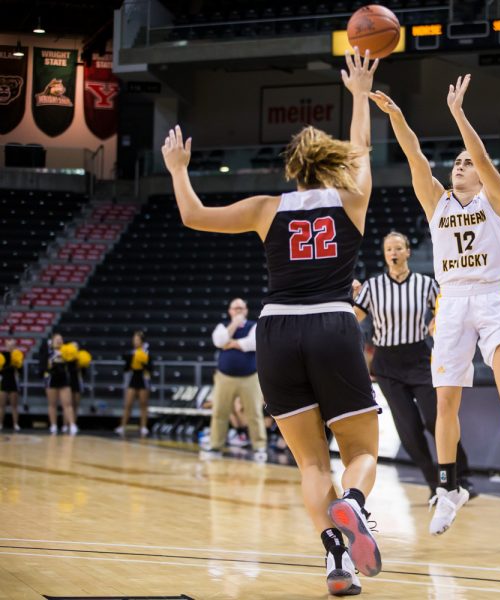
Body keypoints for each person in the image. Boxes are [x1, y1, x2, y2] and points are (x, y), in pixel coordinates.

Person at [162, 48, 381, 597]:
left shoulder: (266, 208)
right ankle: (353, 506)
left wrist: (179, 171)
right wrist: (357, 94)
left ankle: (337, 559)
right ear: (332, 163)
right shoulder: (352, 198)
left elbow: (193, 216)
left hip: (277, 331)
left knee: (310, 462)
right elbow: (363, 148)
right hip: (332, 324)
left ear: (292, 169)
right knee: (360, 453)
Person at [370, 75, 500, 536]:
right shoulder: (437, 203)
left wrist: (458, 115)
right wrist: (396, 116)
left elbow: (484, 158)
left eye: (467, 163)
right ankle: (449, 489)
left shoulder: (496, 198)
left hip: (492, 295)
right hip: (452, 302)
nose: (461, 165)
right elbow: (414, 155)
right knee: (445, 404)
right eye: (457, 161)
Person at [353, 231, 474, 497]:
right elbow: (353, 317)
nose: (393, 253)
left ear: (408, 252)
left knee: (436, 420)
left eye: (398, 248)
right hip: (386, 364)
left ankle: (462, 474)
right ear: (385, 255)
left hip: (419, 358)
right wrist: (343, 295)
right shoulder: (371, 288)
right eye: (388, 249)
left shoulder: (426, 284)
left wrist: (436, 322)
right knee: (409, 430)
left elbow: (445, 311)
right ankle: (436, 484)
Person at [206, 298, 268, 463]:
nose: (239, 311)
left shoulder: (254, 326)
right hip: (224, 377)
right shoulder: (223, 326)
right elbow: (219, 341)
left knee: (254, 413)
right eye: (235, 308)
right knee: (220, 412)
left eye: (241, 308)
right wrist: (233, 325)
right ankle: (215, 445)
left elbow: (253, 343)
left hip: (250, 377)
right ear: (230, 311)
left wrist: (231, 343)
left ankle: (259, 446)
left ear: (246, 310)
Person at [116, 331, 152, 438]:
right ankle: (122, 425)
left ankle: (143, 427)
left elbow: (150, 368)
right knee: (128, 404)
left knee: (143, 404)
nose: (135, 342)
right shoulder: (131, 353)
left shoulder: (146, 353)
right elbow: (125, 366)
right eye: (134, 340)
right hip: (133, 378)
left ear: (142, 341)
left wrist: (143, 361)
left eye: (137, 340)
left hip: (143, 379)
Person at [42, 333, 77, 435]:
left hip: (63, 379)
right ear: (52, 341)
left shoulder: (66, 351)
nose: (59, 340)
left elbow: (72, 366)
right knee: (52, 404)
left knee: (67, 404)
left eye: (61, 339)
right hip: (51, 378)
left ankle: (72, 425)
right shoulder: (48, 352)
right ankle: (53, 425)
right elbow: (43, 365)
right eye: (57, 339)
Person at [0, 339, 24, 432]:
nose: (10, 347)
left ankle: (15, 424)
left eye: (12, 345)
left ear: (15, 346)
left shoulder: (17, 355)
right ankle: (0, 423)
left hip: (14, 381)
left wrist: (17, 364)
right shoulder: (2, 355)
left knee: (14, 405)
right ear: (5, 345)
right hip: (4, 381)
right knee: (1, 405)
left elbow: (20, 370)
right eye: (9, 345)